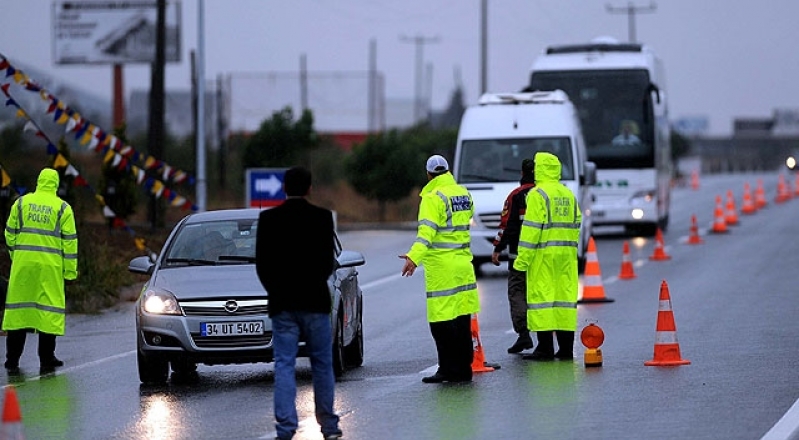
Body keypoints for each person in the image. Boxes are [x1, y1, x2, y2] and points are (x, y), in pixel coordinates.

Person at [254, 166, 342, 440]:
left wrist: (277, 290)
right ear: (310, 188)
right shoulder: (322, 218)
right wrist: (313, 283)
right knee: (322, 365)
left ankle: (285, 428)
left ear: (284, 188)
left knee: (284, 364)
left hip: (283, 305)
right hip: (315, 302)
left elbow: (263, 265)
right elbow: (328, 263)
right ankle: (328, 426)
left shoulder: (268, 219)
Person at [399, 154, 480, 383]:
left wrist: (413, 258)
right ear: (447, 171)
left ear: (428, 174)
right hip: (463, 264)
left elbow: (426, 233)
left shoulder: (432, 197)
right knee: (462, 319)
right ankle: (464, 370)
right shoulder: (463, 193)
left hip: (442, 269)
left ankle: (447, 370)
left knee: (441, 323)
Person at [3, 167, 78, 375]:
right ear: (54, 184)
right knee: (48, 311)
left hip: (23, 266)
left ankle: (12, 360)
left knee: (19, 313)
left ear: (38, 182)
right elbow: (70, 244)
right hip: (50, 268)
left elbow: (9, 233)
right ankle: (46, 358)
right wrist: (70, 273)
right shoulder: (63, 208)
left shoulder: (21, 203)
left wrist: (16, 255)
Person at [513, 152, 581, 361]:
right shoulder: (567, 194)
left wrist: (521, 261)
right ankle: (566, 348)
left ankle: (545, 348)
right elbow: (577, 222)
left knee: (543, 300)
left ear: (540, 170)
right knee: (564, 301)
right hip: (567, 257)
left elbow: (531, 231)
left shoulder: (537, 194)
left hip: (543, 256)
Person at [491, 158, 536, 354]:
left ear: (521, 173)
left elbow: (506, 226)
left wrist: (497, 248)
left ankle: (524, 335)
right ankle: (548, 339)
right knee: (542, 295)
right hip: (544, 257)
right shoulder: (545, 194)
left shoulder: (516, 196)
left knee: (517, 292)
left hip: (519, 256)